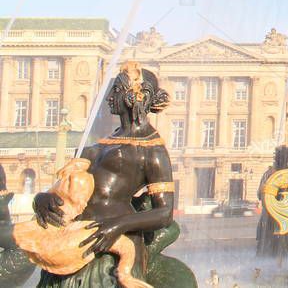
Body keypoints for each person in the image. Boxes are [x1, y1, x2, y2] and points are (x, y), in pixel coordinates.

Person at [30, 61, 194, 287]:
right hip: (74, 236)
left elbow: (165, 213)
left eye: (115, 90)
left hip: (111, 245)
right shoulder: (105, 141)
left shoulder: (152, 149)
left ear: (132, 97)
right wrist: (43, 198)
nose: (108, 97)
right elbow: (66, 182)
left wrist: (117, 226)